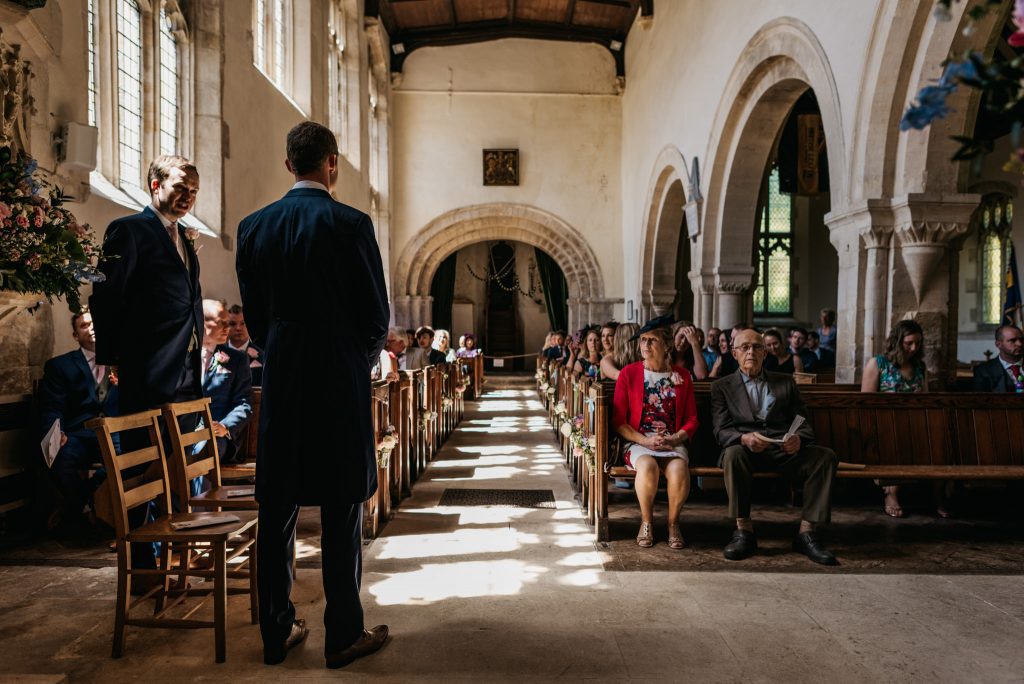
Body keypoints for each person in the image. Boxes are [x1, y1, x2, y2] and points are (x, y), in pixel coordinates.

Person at [236, 121, 390, 668]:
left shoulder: (254, 227)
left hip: (281, 381)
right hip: (338, 384)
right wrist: (353, 360)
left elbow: (254, 318)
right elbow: (376, 316)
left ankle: (276, 634)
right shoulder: (350, 223)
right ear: (332, 164)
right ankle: (343, 635)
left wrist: (279, 350)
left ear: (287, 165)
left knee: (276, 507)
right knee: (342, 508)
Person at [90, 154, 203, 579]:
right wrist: (117, 363)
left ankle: (171, 553)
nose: (187, 197)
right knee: (140, 472)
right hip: (147, 373)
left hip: (185, 375)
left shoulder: (184, 239)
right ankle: (140, 567)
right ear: (155, 185)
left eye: (193, 191)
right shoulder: (128, 231)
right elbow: (105, 297)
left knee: (175, 470)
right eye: (180, 188)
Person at [710, 329, 838, 565]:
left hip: (783, 449)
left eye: (757, 347)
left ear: (765, 353)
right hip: (747, 451)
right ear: (735, 353)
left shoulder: (785, 382)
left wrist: (798, 439)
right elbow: (721, 430)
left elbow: (803, 422)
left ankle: (807, 533)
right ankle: (743, 531)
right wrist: (744, 438)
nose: (751, 352)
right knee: (732, 455)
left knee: (824, 457)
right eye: (745, 347)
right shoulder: (722, 387)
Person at [612, 315, 698, 549]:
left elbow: (691, 419)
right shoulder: (629, 374)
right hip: (638, 442)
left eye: (652, 340)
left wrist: (675, 438)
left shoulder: (682, 376)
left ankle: (673, 524)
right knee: (648, 466)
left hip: (672, 442)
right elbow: (619, 421)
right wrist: (645, 441)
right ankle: (647, 522)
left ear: (667, 345)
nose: (645, 346)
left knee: (680, 469)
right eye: (642, 340)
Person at [37, 310, 119, 533]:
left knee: (129, 457)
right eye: (83, 325)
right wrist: (57, 432)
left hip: (115, 434)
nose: (91, 328)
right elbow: (52, 406)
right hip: (79, 435)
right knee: (58, 457)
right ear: (75, 335)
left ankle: (87, 499)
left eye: (95, 323)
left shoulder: (123, 361)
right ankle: (86, 502)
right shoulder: (60, 366)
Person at [860, 319, 933, 518]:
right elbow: (866, 401)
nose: (913, 348)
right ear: (897, 341)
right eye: (908, 343)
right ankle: (891, 493)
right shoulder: (878, 363)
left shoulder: (920, 366)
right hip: (883, 423)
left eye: (917, 343)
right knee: (894, 440)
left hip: (914, 422)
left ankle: (941, 497)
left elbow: (926, 399)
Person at [200, 300, 253, 465]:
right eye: (220, 322)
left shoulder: (236, 359)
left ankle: (198, 492)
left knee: (205, 449)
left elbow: (243, 403)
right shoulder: (183, 357)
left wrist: (225, 426)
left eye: (227, 323)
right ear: (201, 322)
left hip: (218, 436)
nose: (227, 328)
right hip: (185, 432)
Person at [972, 325, 1023, 392]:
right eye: (1012, 340)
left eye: (1022, 340)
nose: (1020, 344)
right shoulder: (984, 371)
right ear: (998, 344)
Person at [227, 304, 264, 386]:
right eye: (233, 324)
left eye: (243, 323)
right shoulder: (216, 354)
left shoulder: (262, 357)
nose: (238, 328)